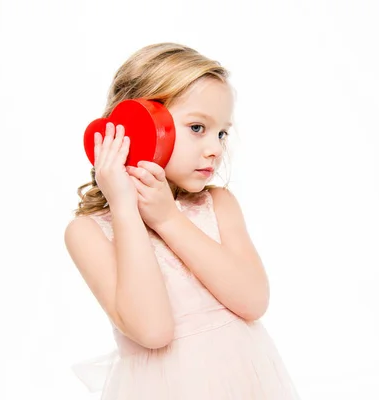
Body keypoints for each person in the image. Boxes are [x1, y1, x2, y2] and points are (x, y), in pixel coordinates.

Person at [64, 42, 302, 399]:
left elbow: (253, 301)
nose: (216, 148)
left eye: (222, 132)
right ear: (135, 127)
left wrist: (169, 219)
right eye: (197, 128)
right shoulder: (88, 232)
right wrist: (127, 210)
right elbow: (152, 329)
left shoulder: (218, 204)